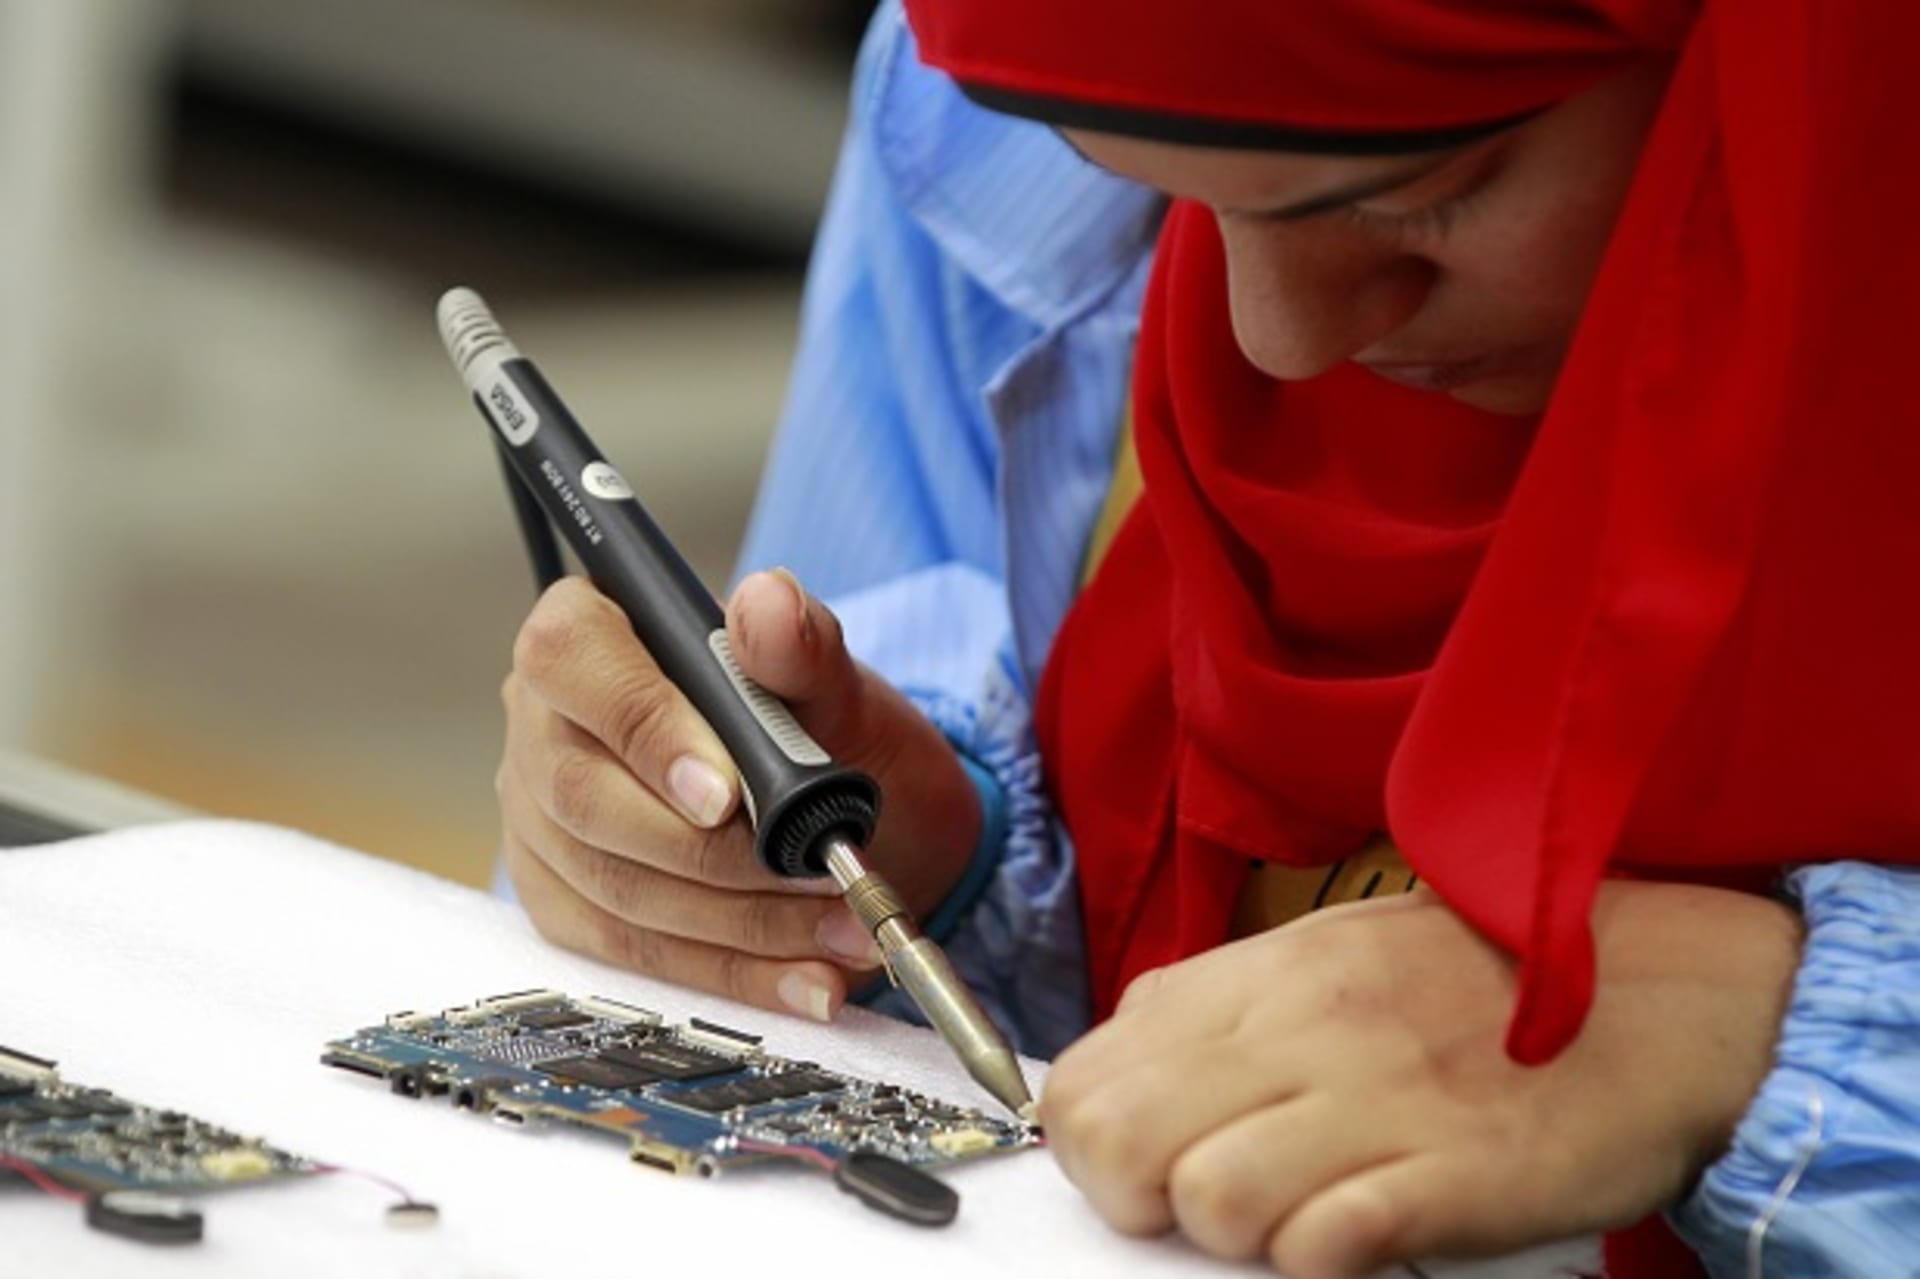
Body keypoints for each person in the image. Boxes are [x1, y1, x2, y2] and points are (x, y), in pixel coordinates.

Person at [494, 2, 1920, 1276]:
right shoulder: (990, 91)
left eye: (1415, 195)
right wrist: (923, 859)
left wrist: (1757, 1031)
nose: (1274, 340)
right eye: (1161, 198)